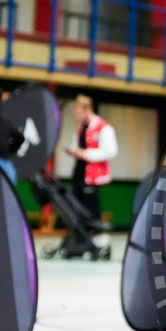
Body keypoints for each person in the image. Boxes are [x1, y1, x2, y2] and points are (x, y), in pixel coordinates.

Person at [64, 94, 118, 252]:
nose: (77, 116)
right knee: (76, 208)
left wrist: (85, 154)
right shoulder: (80, 128)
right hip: (79, 173)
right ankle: (80, 241)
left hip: (93, 176)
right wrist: (75, 152)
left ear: (87, 109)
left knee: (92, 210)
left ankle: (98, 243)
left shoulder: (104, 127)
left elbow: (110, 151)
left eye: (79, 112)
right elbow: (77, 147)